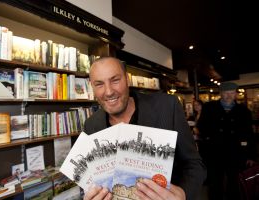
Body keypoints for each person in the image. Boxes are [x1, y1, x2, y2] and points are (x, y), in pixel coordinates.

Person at [83, 57, 206, 200]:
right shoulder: (91, 126)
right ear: (92, 86)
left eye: (115, 80)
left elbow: (195, 164)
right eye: (99, 84)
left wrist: (183, 194)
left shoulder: (167, 107)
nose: (109, 91)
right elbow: (91, 180)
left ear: (127, 80)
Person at [197, 82, 256, 200]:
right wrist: (210, 139)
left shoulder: (244, 111)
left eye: (232, 93)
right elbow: (202, 127)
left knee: (234, 182)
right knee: (215, 183)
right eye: (226, 93)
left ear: (236, 94)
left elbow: (250, 134)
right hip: (215, 152)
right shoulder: (209, 107)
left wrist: (251, 155)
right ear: (221, 93)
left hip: (236, 153)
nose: (229, 96)